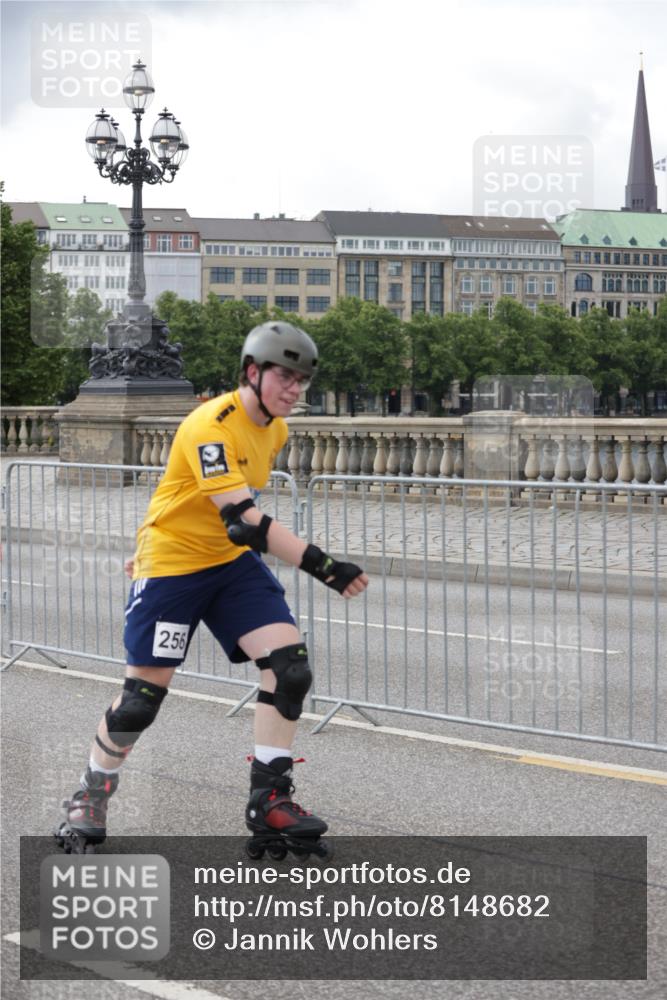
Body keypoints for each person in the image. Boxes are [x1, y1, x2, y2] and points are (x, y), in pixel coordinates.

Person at [56, 321, 368, 856]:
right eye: (285, 378)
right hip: (174, 566)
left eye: (302, 381)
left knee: (290, 668)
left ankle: (269, 798)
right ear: (253, 372)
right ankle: (90, 797)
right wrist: (325, 566)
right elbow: (245, 518)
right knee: (140, 703)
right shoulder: (210, 425)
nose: (295, 390)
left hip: (227, 565)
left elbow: (231, 527)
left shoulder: (276, 429)